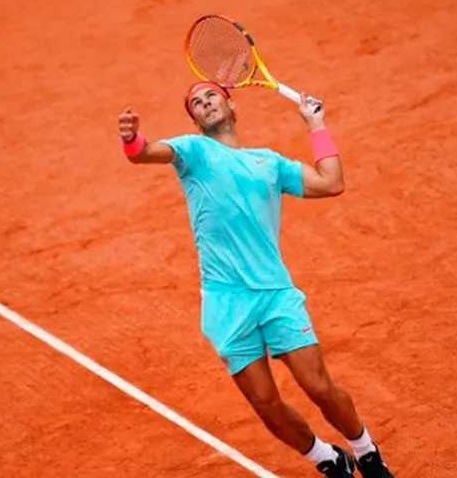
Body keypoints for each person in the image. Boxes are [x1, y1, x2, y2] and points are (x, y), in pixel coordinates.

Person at [117, 81, 394, 478]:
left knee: (317, 387)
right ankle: (326, 459)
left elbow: (332, 182)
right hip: (226, 304)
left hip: (275, 294)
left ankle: (367, 452)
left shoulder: (270, 163)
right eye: (195, 102)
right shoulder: (194, 153)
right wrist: (132, 140)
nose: (204, 102)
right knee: (265, 403)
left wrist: (316, 125)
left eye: (210, 95)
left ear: (231, 105)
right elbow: (145, 153)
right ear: (194, 120)